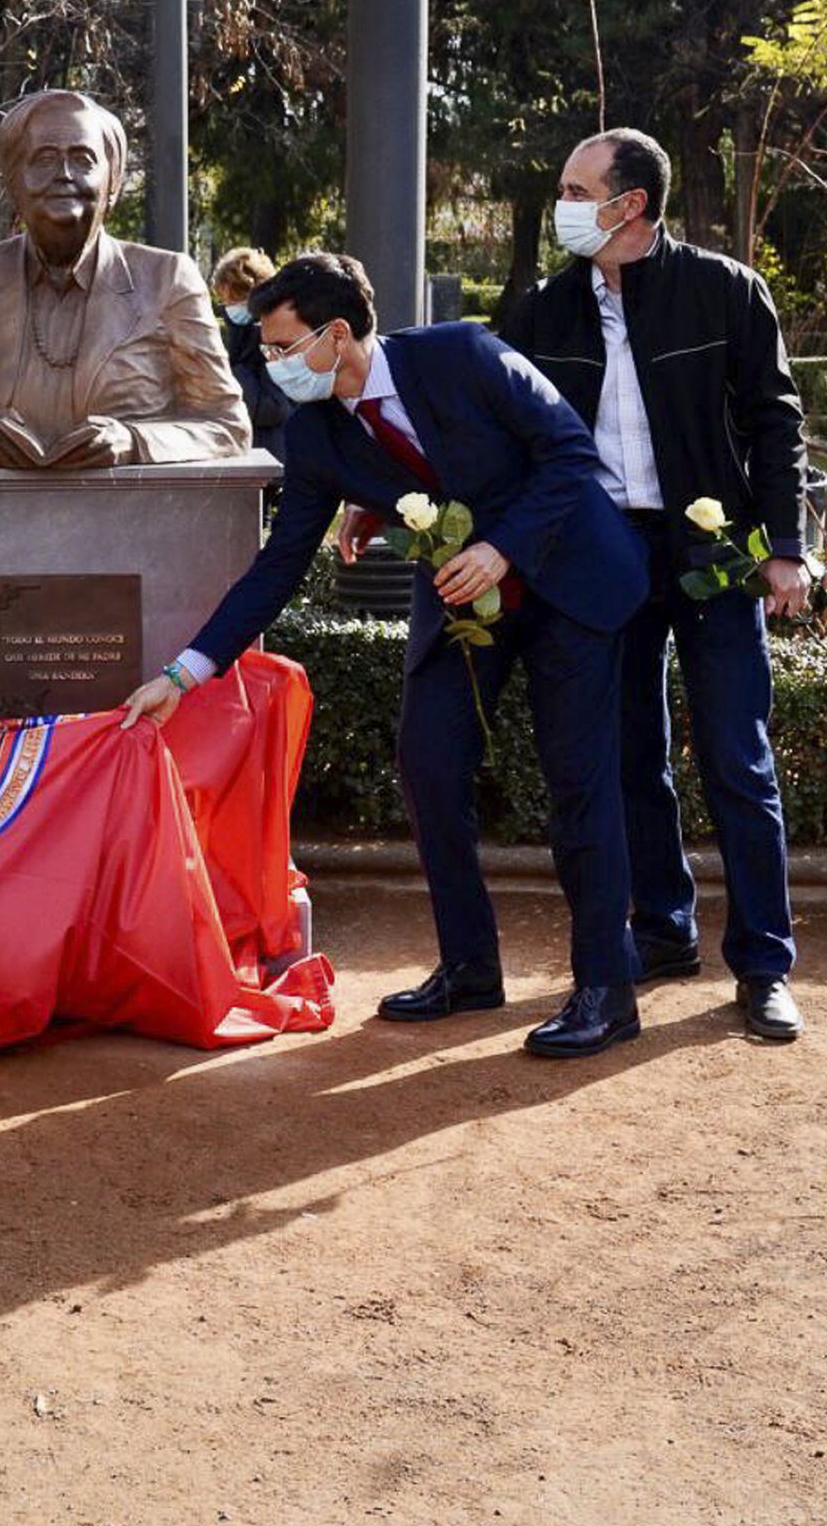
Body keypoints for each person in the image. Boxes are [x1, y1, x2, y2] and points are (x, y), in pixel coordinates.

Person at [123, 252, 652, 1059]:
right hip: (461, 601)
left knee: (578, 780)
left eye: (282, 346)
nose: (272, 363)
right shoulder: (316, 432)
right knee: (429, 763)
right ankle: (469, 967)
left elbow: (570, 454)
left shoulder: (461, 353)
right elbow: (279, 564)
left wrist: (502, 550)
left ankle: (606, 991)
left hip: (568, 580)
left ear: (336, 335)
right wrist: (183, 672)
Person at [500, 127, 809, 1041]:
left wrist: (784, 546)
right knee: (632, 753)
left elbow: (776, 422)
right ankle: (663, 931)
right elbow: (492, 428)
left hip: (713, 552)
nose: (560, 204)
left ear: (628, 203)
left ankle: (763, 964)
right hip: (605, 554)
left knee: (736, 757)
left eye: (575, 190)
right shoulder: (542, 309)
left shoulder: (726, 289)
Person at [0, 89, 250, 468]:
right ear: (13, 181)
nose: (64, 174)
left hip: (128, 505)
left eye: (83, 159)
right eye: (43, 159)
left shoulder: (167, 281)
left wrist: (134, 441)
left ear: (113, 182)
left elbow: (227, 425)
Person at [211, 246, 294, 459]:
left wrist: (231, 371)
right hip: (239, 450)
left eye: (235, 300)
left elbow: (273, 408)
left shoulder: (278, 335)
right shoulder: (229, 333)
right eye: (225, 301)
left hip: (272, 453)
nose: (229, 307)